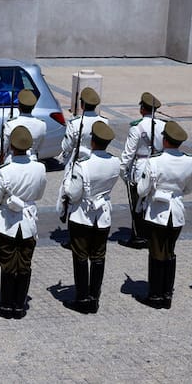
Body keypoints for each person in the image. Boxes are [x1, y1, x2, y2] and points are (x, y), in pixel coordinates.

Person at [0, 127, 46, 319]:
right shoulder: (40, 168)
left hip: (6, 223)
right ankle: (19, 305)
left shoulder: (4, 170)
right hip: (28, 221)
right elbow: (40, 194)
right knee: (24, 263)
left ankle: (6, 304)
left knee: (8, 264)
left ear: (11, 146)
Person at [136, 121, 192, 309]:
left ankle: (155, 295)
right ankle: (167, 294)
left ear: (165, 140)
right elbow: (189, 188)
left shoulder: (154, 161)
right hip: (176, 211)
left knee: (156, 253)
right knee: (170, 252)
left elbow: (141, 189)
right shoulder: (190, 161)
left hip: (157, 213)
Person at [59, 121, 119, 314]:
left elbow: (74, 193)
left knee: (81, 256)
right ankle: (94, 297)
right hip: (102, 216)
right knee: (99, 256)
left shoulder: (83, 165)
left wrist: (67, 182)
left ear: (92, 141)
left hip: (82, 216)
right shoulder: (115, 161)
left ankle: (82, 297)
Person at [119, 92, 166, 249]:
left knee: (137, 202)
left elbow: (128, 153)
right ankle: (150, 234)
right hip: (157, 165)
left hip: (140, 167)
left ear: (142, 109)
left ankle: (138, 235)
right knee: (152, 202)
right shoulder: (163, 126)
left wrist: (123, 171)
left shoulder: (136, 128)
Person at [0, 89, 47, 163]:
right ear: (33, 107)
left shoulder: (10, 124)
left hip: (13, 161)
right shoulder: (42, 125)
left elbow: (1, 148)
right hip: (33, 161)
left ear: (19, 106)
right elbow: (39, 148)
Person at [60, 87, 108, 166]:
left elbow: (66, 146)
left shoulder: (74, 123)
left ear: (82, 105)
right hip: (96, 162)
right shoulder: (104, 121)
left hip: (77, 163)